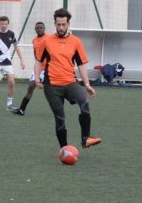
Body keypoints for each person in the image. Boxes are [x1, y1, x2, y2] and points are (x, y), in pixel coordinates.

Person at [35, 8, 101, 149]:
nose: (60, 27)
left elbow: (81, 64)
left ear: (68, 23)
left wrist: (87, 84)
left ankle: (85, 139)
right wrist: (36, 79)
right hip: (52, 86)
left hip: (71, 83)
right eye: (58, 24)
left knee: (84, 102)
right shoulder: (46, 41)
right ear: (54, 23)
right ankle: (64, 149)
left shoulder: (76, 42)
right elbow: (38, 61)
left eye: (63, 24)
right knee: (60, 117)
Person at [11, 20, 47, 116]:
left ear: (44, 29)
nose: (39, 29)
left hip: (48, 69)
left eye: (41, 27)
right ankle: (21, 110)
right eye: (37, 28)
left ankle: (70, 98)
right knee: (30, 87)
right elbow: (36, 53)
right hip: (38, 68)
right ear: (35, 29)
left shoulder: (49, 38)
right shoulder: (34, 40)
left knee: (52, 89)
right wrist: (37, 64)